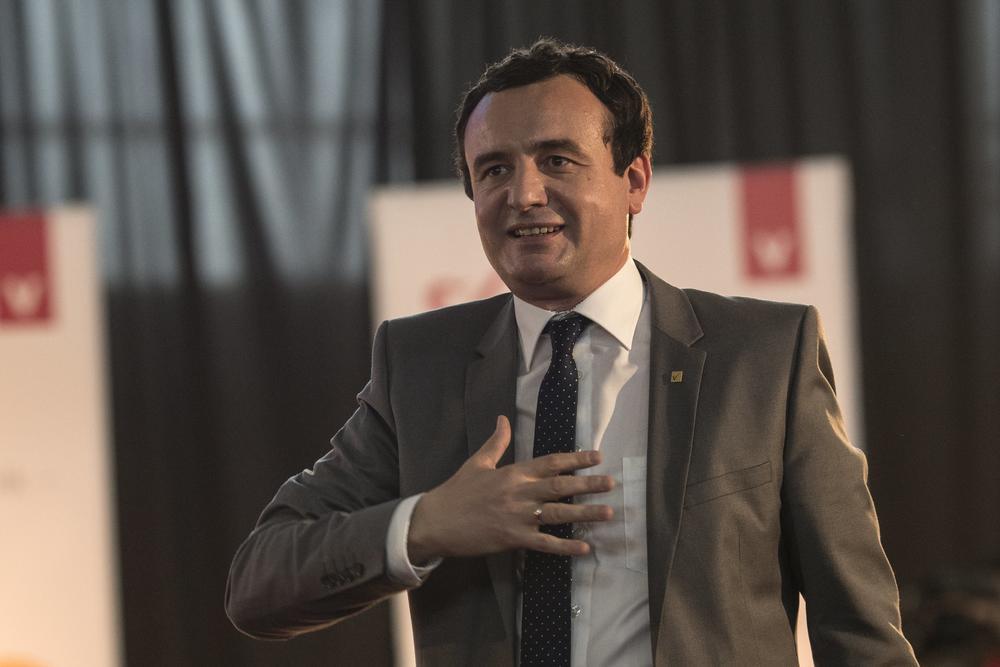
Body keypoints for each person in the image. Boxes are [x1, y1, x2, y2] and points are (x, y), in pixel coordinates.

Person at [226, 38, 917, 665]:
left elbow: (861, 634)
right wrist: (429, 523)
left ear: (634, 181)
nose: (524, 193)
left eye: (556, 160)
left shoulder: (762, 355)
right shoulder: (421, 366)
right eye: (493, 170)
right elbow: (259, 583)